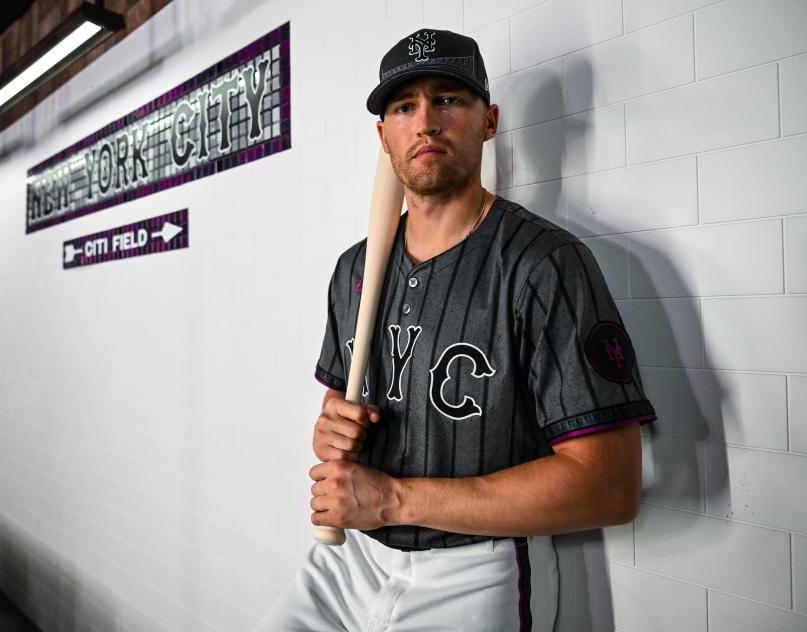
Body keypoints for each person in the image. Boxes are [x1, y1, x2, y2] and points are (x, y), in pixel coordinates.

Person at [253, 28, 656, 632]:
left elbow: (609, 486)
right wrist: (331, 430)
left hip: (478, 566)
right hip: (350, 556)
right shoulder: (355, 268)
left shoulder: (544, 264)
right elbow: (338, 415)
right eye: (404, 107)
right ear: (383, 134)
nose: (426, 123)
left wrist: (392, 498)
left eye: (448, 99)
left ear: (489, 120)